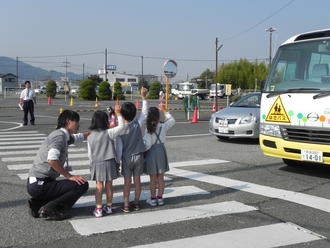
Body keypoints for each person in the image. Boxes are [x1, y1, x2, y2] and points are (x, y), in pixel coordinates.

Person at [27, 110, 89, 220]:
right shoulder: (59, 137)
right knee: (81, 184)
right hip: (40, 184)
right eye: (77, 122)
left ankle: (37, 204)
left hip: (37, 183)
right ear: (69, 121)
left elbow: (77, 137)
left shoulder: (63, 135)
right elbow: (52, 160)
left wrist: (91, 134)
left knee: (65, 187)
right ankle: (52, 209)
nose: (79, 125)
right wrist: (69, 176)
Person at [87, 105, 127, 218]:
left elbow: (90, 154)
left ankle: (98, 209)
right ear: (106, 121)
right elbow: (122, 127)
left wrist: (92, 164)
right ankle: (109, 207)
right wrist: (118, 114)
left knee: (99, 187)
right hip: (109, 161)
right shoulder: (109, 133)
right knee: (109, 186)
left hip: (97, 162)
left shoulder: (90, 137)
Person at [119, 87, 148, 212]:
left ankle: (126, 204)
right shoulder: (138, 124)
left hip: (126, 157)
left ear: (122, 114)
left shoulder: (121, 128)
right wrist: (144, 97)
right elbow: (145, 113)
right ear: (134, 112)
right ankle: (136, 203)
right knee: (137, 180)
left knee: (127, 182)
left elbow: (120, 123)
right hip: (139, 155)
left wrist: (117, 114)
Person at [144, 103, 175, 207]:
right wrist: (165, 111)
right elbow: (172, 120)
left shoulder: (148, 129)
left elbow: (147, 145)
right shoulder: (163, 126)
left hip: (151, 152)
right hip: (161, 150)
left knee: (152, 179)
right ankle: (160, 198)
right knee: (161, 177)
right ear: (158, 116)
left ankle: (153, 199)